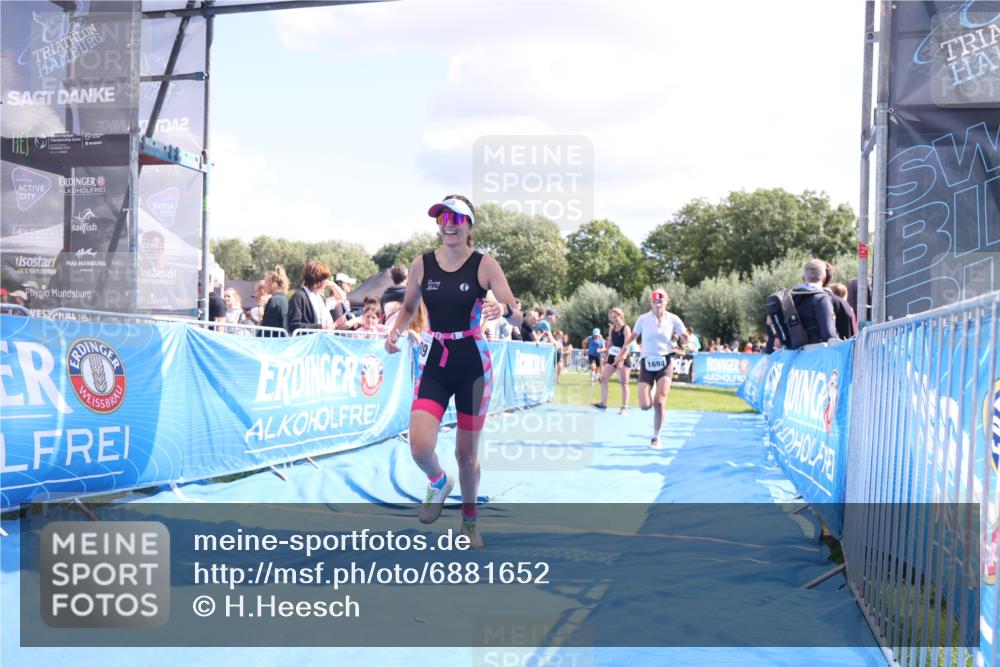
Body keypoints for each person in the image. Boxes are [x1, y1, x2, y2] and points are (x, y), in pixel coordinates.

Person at [384, 194, 521, 549]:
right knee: (420, 445)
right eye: (443, 218)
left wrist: (501, 310)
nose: (448, 225)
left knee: (466, 454)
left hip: (472, 365)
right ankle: (438, 481)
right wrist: (397, 329)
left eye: (457, 219)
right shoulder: (421, 264)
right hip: (435, 360)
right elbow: (410, 304)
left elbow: (514, 308)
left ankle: (470, 521)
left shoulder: (484, 265)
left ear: (469, 226)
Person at [622, 289, 688, 449]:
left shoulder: (673, 319)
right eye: (654, 300)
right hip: (647, 362)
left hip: (665, 361)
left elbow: (684, 336)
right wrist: (625, 347)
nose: (658, 302)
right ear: (651, 302)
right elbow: (634, 335)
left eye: (661, 299)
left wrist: (686, 341)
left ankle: (656, 436)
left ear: (667, 301)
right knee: (645, 406)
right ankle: (651, 391)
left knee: (659, 402)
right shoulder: (643, 319)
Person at [594, 308, 632, 414]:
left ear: (621, 316)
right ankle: (603, 404)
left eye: (616, 316)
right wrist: (606, 356)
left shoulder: (626, 328)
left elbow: (627, 345)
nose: (614, 319)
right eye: (612, 317)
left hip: (623, 356)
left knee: (624, 383)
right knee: (603, 378)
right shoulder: (612, 328)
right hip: (612, 356)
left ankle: (624, 407)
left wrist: (622, 357)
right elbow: (610, 343)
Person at [795, 258, 837, 345]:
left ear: (803, 278)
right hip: (816, 353)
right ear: (824, 279)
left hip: (794, 353)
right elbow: (829, 333)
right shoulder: (821, 299)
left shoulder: (793, 297)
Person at [287, 260, 335, 335]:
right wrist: (320, 327)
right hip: (305, 344)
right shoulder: (299, 297)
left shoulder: (322, 298)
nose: (326, 282)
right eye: (324, 279)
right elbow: (294, 325)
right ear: (317, 279)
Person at [258, 265, 290, 337]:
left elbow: (268, 326)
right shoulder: (284, 299)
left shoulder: (274, 300)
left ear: (274, 284)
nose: (265, 285)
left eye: (266, 282)